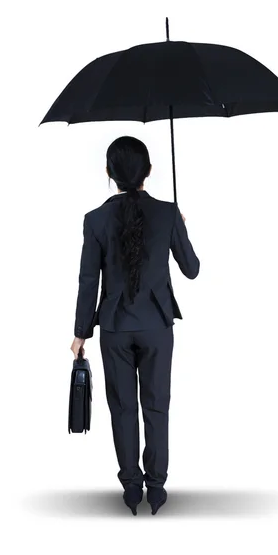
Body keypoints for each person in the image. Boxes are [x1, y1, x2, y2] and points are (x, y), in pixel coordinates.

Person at [70, 136, 200, 515]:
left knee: (124, 407)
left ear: (109, 173)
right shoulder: (167, 213)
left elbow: (87, 281)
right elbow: (191, 270)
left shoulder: (95, 220)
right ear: (149, 172)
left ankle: (131, 488)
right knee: (157, 406)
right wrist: (179, 227)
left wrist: (81, 332)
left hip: (114, 327)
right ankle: (156, 488)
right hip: (158, 326)